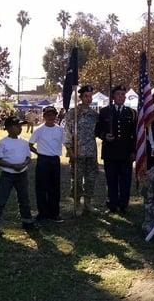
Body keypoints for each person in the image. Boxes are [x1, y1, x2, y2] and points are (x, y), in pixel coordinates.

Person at [0, 116, 35, 237]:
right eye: (17, 126)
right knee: (1, 200)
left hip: (22, 175)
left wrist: (23, 164)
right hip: (7, 175)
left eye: (20, 126)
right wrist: (12, 166)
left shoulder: (24, 142)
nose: (20, 128)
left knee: (24, 199)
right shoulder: (2, 143)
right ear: (8, 128)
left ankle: (27, 221)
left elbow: (28, 157)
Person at [95, 85, 137, 213]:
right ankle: (112, 204)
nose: (121, 97)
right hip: (110, 152)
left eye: (123, 95)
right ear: (113, 97)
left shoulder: (131, 113)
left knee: (125, 180)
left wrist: (133, 151)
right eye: (118, 94)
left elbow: (134, 134)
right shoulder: (104, 111)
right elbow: (97, 130)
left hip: (125, 153)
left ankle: (123, 205)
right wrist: (104, 135)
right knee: (111, 180)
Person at [64, 85, 99, 213]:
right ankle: (78, 203)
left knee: (90, 179)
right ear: (81, 97)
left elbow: (98, 132)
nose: (88, 99)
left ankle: (88, 203)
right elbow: (67, 132)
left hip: (91, 152)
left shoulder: (94, 115)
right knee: (77, 179)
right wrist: (69, 151)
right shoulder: (73, 113)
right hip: (77, 152)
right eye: (86, 96)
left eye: (90, 96)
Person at [29, 106, 64, 223]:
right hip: (43, 160)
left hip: (55, 160)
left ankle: (54, 213)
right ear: (44, 116)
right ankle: (43, 213)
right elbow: (30, 145)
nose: (50, 117)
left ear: (56, 116)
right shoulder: (39, 129)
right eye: (48, 115)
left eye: (53, 115)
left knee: (55, 187)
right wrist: (39, 153)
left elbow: (66, 143)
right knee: (41, 187)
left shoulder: (60, 130)